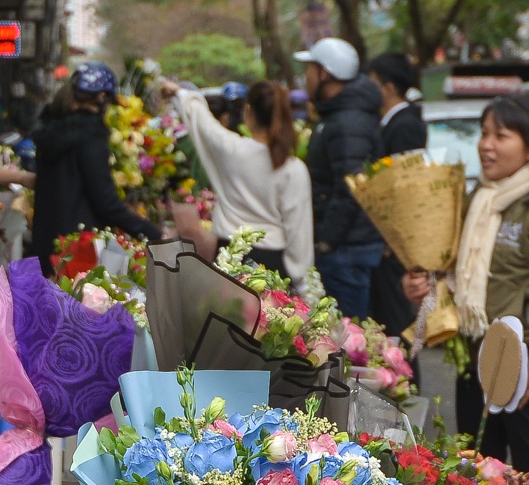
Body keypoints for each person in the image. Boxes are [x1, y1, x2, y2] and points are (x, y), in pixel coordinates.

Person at [403, 94, 529, 478]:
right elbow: (454, 271)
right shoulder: (479, 197)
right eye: (483, 133)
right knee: (474, 475)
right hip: (476, 360)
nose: (486, 145)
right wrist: (425, 284)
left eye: (501, 135)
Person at [162, 77, 313, 284]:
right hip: (273, 261)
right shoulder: (294, 169)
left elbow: (202, 120)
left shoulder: (232, 150)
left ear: (248, 113)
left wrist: (179, 92)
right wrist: (302, 281)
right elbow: (299, 230)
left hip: (230, 254)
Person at [27, 62, 164, 266]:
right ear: (101, 98)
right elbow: (105, 202)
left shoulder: (49, 131)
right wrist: (152, 233)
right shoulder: (91, 136)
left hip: (46, 244)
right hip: (79, 248)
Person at [299, 37, 386, 316]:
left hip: (347, 250)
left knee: (347, 334)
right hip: (346, 246)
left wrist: (328, 239)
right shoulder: (339, 115)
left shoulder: (348, 121)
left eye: (310, 70)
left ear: (324, 74)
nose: (306, 77)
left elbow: (351, 185)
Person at [366, 51, 427, 332]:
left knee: (395, 320)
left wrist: (393, 240)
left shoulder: (405, 125)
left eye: (372, 84)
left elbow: (406, 185)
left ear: (388, 89)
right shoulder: (392, 122)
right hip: (386, 238)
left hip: (394, 243)